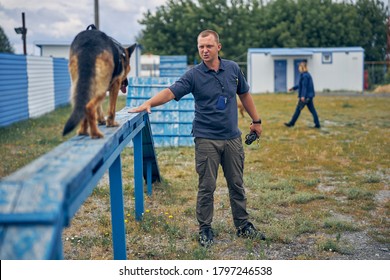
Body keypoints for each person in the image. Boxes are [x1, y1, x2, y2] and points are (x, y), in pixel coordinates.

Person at [129, 30, 265, 246]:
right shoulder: (193, 75)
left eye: (209, 46)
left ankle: (243, 225)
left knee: (237, 184)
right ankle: (205, 229)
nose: (204, 50)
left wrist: (256, 121)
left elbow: (244, 94)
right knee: (206, 187)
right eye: (201, 46)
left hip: (232, 138)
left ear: (218, 47)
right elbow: (171, 91)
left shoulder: (233, 69)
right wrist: (148, 103)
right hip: (206, 139)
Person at [284, 60, 320, 128]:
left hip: (306, 97)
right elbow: (300, 85)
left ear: (302, 67)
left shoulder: (305, 76)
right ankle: (317, 124)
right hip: (309, 96)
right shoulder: (306, 75)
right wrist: (293, 88)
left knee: (298, 109)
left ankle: (291, 123)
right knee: (312, 110)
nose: (298, 68)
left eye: (299, 67)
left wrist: (303, 96)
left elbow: (304, 87)